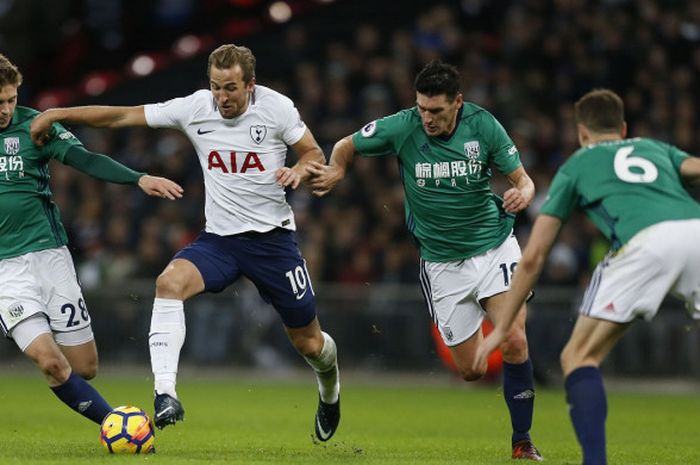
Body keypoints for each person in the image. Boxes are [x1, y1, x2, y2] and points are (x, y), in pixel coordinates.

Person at [31, 44, 341, 441]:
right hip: (220, 242)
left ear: (251, 85)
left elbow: (313, 151)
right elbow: (123, 116)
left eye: (230, 88)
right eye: (215, 87)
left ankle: (330, 391)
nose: (222, 97)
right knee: (168, 283)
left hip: (273, 243)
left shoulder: (277, 108)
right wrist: (60, 113)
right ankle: (165, 393)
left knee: (310, 344)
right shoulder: (195, 108)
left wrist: (299, 170)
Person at [307, 60, 543, 460]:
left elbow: (523, 178)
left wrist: (524, 192)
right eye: (422, 109)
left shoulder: (484, 126)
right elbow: (346, 144)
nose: (428, 118)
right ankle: (495, 329)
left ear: (458, 103)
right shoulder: (402, 126)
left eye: (436, 111)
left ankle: (522, 442)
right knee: (472, 370)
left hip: (493, 246)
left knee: (515, 338)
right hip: (442, 263)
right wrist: (336, 171)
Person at [474, 88, 700, 465]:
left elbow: (533, 257)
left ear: (581, 133)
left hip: (643, 244)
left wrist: (500, 328)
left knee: (578, 357)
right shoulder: (655, 148)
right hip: (695, 229)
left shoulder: (577, 165)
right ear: (623, 128)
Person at [0, 53, 183, 426]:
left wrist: (138, 178)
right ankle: (117, 425)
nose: (5, 109)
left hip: (50, 257)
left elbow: (85, 159)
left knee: (84, 366)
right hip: (6, 273)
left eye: (10, 100)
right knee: (51, 363)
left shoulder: (35, 126)